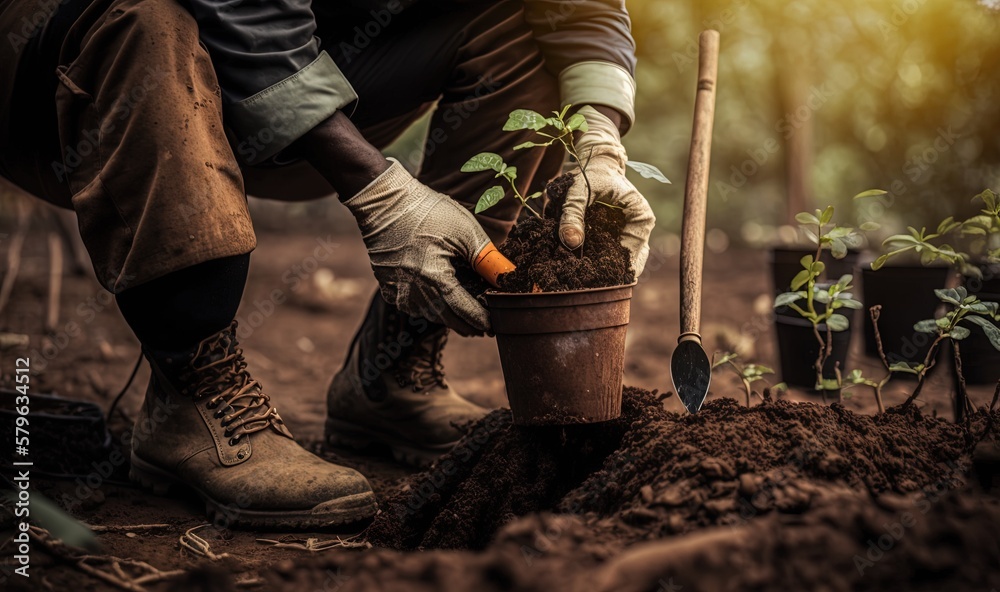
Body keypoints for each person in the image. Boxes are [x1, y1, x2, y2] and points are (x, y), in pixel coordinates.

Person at [0, 0, 654, 529]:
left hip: (286, 79)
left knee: (521, 29)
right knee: (148, 13)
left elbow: (584, 9)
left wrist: (600, 141)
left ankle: (391, 371)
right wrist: (381, 191)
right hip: (65, 67)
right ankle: (194, 391)